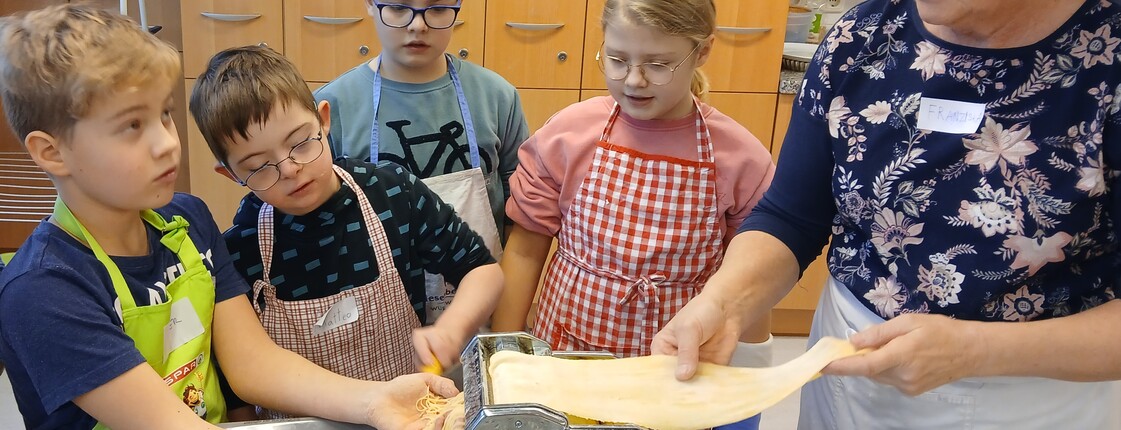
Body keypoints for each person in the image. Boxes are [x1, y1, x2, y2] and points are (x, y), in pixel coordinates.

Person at [653, 0, 1121, 428]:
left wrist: (981, 351)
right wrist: (724, 302)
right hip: (845, 366)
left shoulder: (1105, 59)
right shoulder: (863, 35)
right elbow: (791, 217)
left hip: (1028, 395)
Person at [0, 5, 457, 430]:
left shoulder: (189, 221)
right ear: (51, 151)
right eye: (131, 127)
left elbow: (252, 363)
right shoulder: (44, 290)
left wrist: (374, 401)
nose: (166, 144)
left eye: (164, 115)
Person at [491, 0, 774, 428]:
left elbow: (749, 278)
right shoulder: (568, 135)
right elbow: (526, 251)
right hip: (567, 356)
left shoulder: (739, 159)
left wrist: (748, 383)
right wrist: (505, 358)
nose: (634, 80)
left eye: (659, 64)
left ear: (702, 52)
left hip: (678, 372)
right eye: (617, 60)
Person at [189, 45, 503, 418]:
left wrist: (451, 329)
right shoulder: (240, 247)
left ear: (323, 120)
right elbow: (237, 384)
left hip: (407, 415)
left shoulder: (392, 194)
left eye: (300, 143)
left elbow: (484, 270)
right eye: (259, 167)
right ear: (231, 174)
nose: (290, 170)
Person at [315, 0, 528, 324]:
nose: (418, 25)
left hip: (483, 314)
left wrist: (504, 328)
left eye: (437, 8)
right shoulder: (334, 107)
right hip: (374, 326)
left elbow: (521, 217)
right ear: (370, 5)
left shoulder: (497, 97)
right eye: (399, 7)